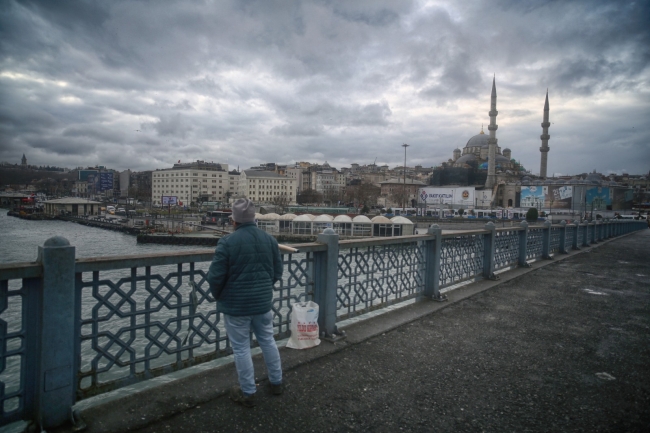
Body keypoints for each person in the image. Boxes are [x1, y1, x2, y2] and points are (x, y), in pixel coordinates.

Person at [207, 198, 284, 408]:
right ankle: (276, 382)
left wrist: (219, 296)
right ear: (253, 218)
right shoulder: (269, 240)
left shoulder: (227, 243)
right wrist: (264, 289)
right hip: (262, 303)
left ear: (234, 220)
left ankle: (248, 391)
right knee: (268, 340)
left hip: (236, 306)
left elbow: (215, 277)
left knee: (242, 348)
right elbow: (277, 272)